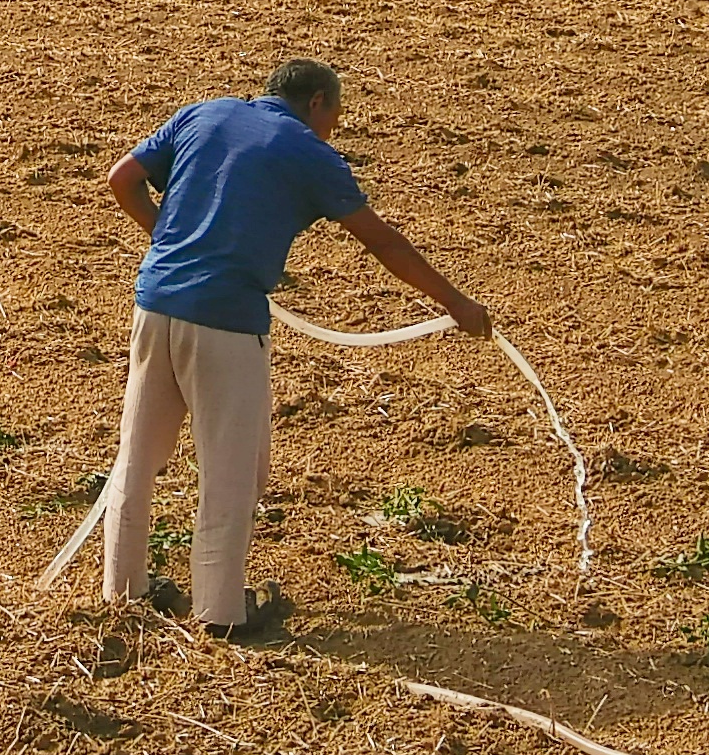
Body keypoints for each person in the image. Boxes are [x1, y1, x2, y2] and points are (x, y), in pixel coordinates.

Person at [96, 60, 490, 641]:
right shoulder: (309, 152)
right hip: (228, 323)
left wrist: (172, 243)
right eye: (336, 115)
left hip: (155, 303)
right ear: (318, 103)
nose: (333, 127)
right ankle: (222, 612)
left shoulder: (203, 113)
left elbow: (122, 178)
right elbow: (382, 241)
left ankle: (122, 591)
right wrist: (455, 302)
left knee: (138, 455)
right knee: (231, 472)